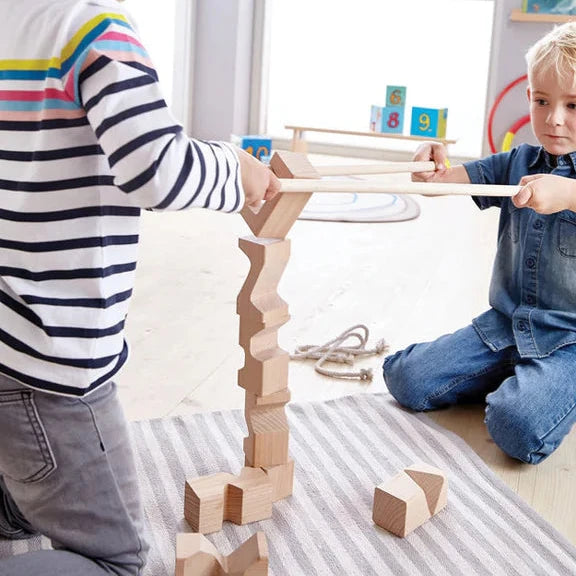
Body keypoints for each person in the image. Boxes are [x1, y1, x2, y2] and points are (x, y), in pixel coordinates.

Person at [0, 0, 280, 574]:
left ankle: (17, 502)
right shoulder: (93, 28)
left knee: (24, 467)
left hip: (8, 334)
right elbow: (155, 167)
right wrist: (235, 169)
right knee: (118, 564)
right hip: (56, 366)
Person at [383, 21, 576, 465]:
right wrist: (432, 166)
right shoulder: (518, 162)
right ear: (528, 97)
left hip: (568, 342)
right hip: (504, 326)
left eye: (572, 104)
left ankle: (542, 387)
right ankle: (520, 377)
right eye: (542, 101)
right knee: (406, 379)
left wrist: (565, 193)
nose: (554, 118)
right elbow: (448, 182)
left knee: (516, 427)